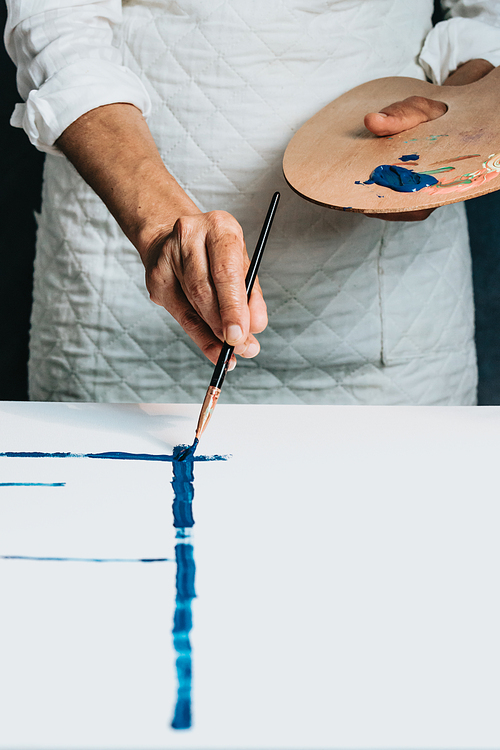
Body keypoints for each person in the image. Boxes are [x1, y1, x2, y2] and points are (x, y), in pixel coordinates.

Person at [5, 0, 500, 404]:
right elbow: (58, 20)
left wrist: (456, 124)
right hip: (118, 293)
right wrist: (156, 218)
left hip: (390, 313)